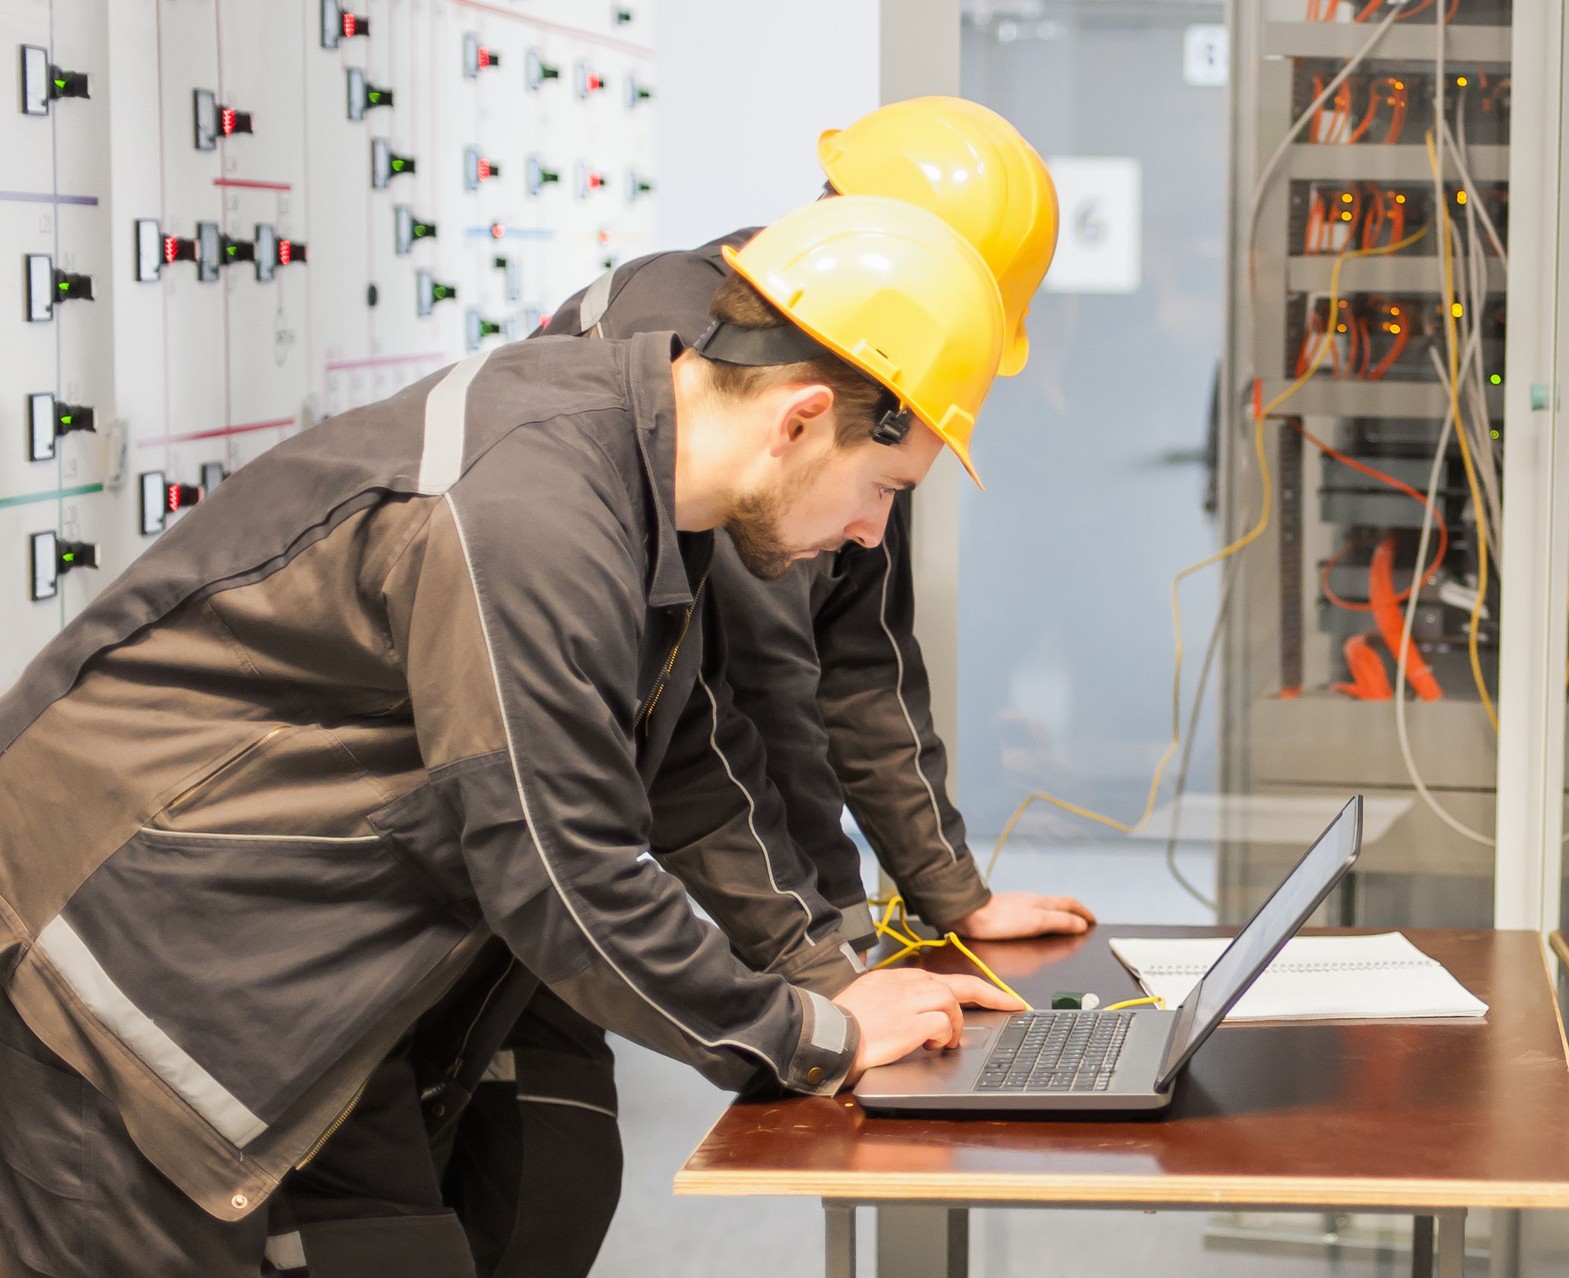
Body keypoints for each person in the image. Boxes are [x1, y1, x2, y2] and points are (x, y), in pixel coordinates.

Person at [0, 194, 1024, 1278]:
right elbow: (563, 874)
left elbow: (684, 766)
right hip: (120, 971)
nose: (870, 534)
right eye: (881, 491)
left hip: (306, 975)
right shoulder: (537, 508)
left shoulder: (645, 492)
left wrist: (828, 975)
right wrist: (816, 1036)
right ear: (801, 418)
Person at [422, 98, 1096, 1278]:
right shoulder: (740, 355)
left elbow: (866, 657)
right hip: (509, 828)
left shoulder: (868, 379)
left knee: (542, 1182)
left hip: (579, 829)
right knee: (521, 1186)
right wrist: (831, 971)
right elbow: (753, 698)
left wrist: (949, 893)